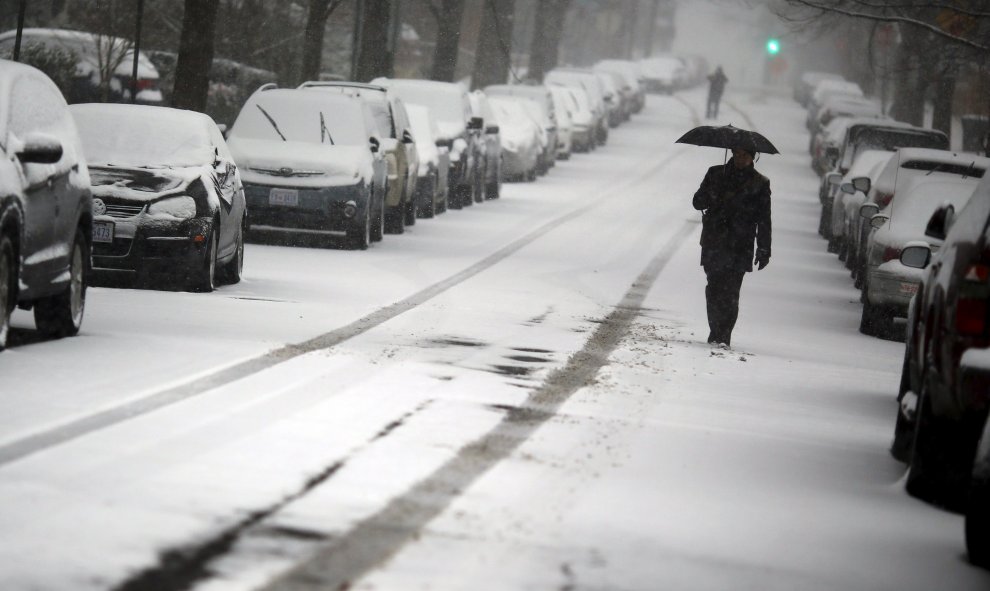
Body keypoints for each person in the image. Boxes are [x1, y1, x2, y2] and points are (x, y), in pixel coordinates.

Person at [692, 147, 772, 347]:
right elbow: (697, 202)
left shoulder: (760, 183)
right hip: (714, 241)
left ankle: (724, 335)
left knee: (732, 292)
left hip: (741, 245)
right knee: (714, 288)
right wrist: (712, 192)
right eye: (736, 154)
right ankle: (715, 330)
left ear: (753, 158)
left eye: (744, 155)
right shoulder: (715, 173)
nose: (739, 158)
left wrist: (764, 248)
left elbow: (764, 219)